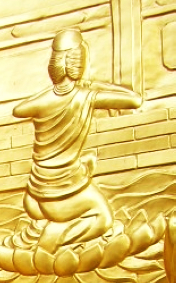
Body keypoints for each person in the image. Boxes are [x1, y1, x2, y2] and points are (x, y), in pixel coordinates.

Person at [13, 28, 141, 250]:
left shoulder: (42, 101)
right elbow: (134, 100)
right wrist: (95, 85)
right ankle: (52, 238)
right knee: (104, 219)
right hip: (61, 194)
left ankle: (42, 229)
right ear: (79, 63)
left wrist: (52, 92)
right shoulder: (85, 97)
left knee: (87, 162)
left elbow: (18, 109)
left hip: (34, 195)